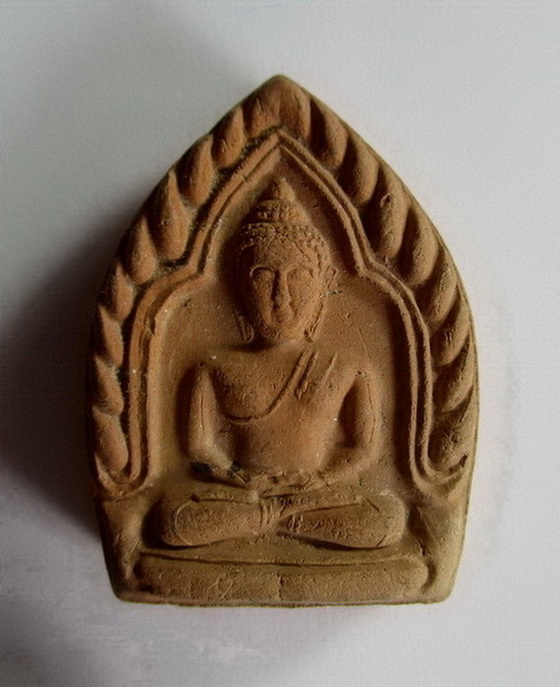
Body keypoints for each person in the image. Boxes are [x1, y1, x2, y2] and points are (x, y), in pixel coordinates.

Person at [153, 179, 405, 549]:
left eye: (299, 276)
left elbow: (362, 449)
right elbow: (198, 449)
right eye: (263, 276)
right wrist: (241, 479)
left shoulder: (350, 367)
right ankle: (283, 520)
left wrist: (318, 481)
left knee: (387, 518)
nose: (281, 296)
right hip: (244, 493)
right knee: (174, 519)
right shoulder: (213, 367)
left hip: (316, 494)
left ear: (324, 283)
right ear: (238, 286)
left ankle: (273, 520)